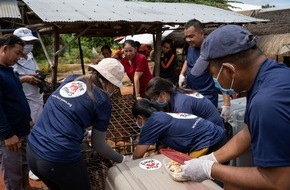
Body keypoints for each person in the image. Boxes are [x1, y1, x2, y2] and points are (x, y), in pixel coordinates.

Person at [181, 25, 290, 189]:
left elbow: (278, 181)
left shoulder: (266, 103)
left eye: (213, 75)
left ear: (229, 70)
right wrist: (211, 159)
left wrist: (210, 170)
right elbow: (247, 133)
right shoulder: (272, 75)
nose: (214, 81)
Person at [27, 58, 131, 190]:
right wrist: (122, 159)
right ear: (110, 83)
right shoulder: (102, 100)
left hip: (33, 150)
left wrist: (85, 133)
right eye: (115, 87)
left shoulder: (72, 78)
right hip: (58, 158)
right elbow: (99, 145)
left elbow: (66, 113)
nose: (114, 90)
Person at [132, 99, 226, 159]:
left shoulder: (151, 123)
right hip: (218, 135)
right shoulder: (160, 115)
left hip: (210, 143)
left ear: (140, 118)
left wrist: (128, 161)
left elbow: (137, 154)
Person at [178, 19, 231, 122]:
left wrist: (227, 104)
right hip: (191, 93)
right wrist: (182, 74)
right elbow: (187, 60)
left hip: (207, 97)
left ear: (201, 33)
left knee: (205, 126)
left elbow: (222, 75)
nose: (188, 40)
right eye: (186, 37)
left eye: (191, 36)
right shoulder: (190, 47)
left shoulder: (211, 49)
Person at [0, 34, 33, 190]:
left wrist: (28, 118)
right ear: (5, 49)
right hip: (11, 135)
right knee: (13, 172)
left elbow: (19, 97)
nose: (19, 58)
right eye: (17, 53)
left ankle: (27, 187)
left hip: (22, 130)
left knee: (24, 165)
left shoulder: (9, 71)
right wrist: (7, 134)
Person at [145, 77, 224, 128]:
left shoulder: (181, 104)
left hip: (214, 134)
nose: (155, 101)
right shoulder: (178, 94)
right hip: (211, 127)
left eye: (155, 99)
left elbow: (186, 128)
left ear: (163, 94)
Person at [13, 27, 44, 125]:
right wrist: (25, 79)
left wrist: (37, 75)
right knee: (27, 129)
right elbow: (7, 82)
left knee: (37, 128)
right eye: (26, 43)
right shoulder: (11, 59)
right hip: (24, 101)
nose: (29, 45)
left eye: (31, 42)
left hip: (37, 99)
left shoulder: (30, 55)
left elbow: (35, 70)